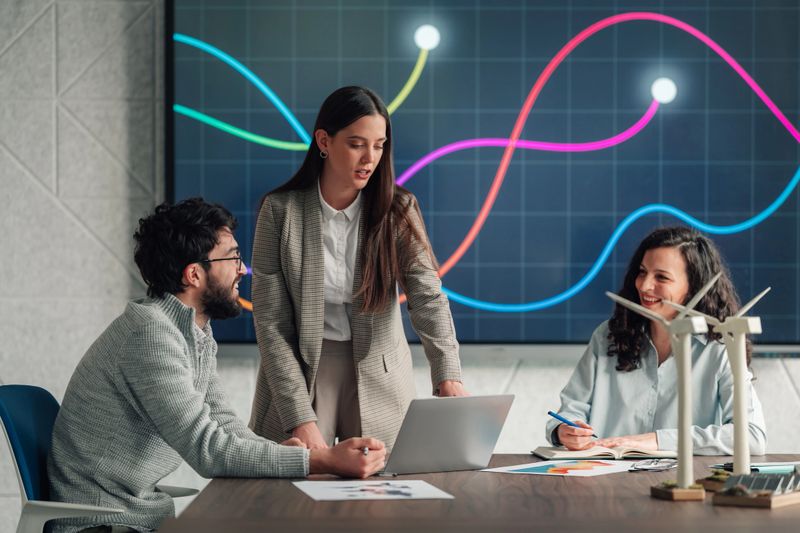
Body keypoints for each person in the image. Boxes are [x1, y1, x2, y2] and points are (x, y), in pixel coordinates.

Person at [47, 198, 386, 533]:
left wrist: (277, 455)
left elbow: (222, 422)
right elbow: (207, 449)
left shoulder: (194, 330)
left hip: (137, 517)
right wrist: (319, 460)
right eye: (234, 257)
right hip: (102, 524)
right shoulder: (150, 334)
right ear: (194, 274)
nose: (242, 269)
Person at [249, 86, 466, 451]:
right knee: (291, 494)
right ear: (324, 141)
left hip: (380, 372)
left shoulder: (399, 209)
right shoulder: (279, 211)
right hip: (301, 372)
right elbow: (271, 324)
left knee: (384, 497)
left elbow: (428, 298)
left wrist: (448, 376)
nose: (370, 158)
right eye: (356, 144)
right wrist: (299, 417)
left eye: (379, 145)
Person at [546, 226, 767, 455]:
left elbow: (752, 435)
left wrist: (657, 440)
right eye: (642, 272)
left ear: (694, 287)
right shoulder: (607, 336)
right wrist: (565, 430)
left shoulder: (721, 347)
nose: (644, 285)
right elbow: (570, 411)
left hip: (682, 481)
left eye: (661, 277)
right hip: (605, 478)